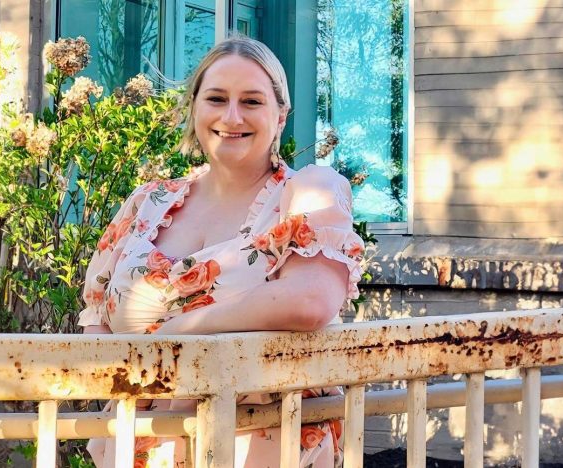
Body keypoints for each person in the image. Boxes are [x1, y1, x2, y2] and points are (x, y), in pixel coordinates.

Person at [79, 34, 364, 468]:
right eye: (216, 98)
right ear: (195, 107)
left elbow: (310, 300)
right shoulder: (146, 203)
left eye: (251, 101)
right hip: (144, 448)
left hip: (267, 448)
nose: (232, 117)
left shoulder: (307, 191)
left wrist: (179, 334)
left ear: (281, 115)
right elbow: (97, 320)